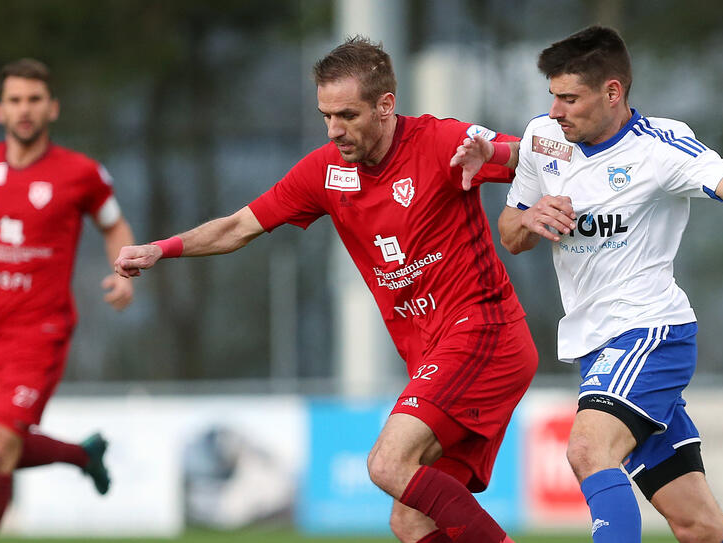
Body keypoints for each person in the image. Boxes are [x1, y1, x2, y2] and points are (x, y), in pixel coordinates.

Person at [115, 37, 537, 543]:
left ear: (386, 106)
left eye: (347, 115)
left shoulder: (442, 141)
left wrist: (521, 181)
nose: (334, 129)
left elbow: (533, 156)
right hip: (434, 351)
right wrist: (162, 249)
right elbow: (237, 227)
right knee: (410, 520)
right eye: (325, 115)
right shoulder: (325, 172)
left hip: (483, 331)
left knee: (386, 463)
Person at [495, 26, 723, 543]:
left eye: (569, 98)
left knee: (586, 450)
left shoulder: (660, 148)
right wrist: (529, 218)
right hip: (595, 344)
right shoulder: (543, 137)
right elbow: (510, 233)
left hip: (647, 334)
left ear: (613, 92)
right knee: (699, 526)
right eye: (552, 95)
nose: (556, 109)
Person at [0, 58, 135, 543]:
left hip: (39, 331)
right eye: (15, 100)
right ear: (0, 110)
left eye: (34, 99)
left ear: (52, 108)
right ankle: (83, 456)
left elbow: (113, 225)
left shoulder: (81, 173)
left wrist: (123, 272)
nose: (24, 109)